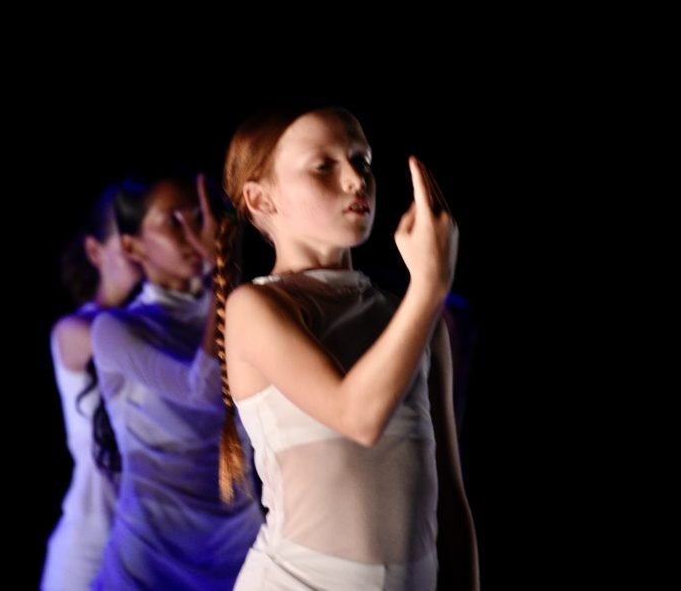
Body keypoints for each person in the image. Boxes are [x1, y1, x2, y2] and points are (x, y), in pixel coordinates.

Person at [213, 107, 479, 590]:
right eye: (324, 166)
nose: (357, 179)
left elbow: (449, 495)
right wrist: (428, 289)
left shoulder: (412, 316)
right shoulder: (257, 307)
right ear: (260, 198)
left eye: (362, 161)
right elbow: (357, 418)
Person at [90, 174, 263, 591]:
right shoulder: (116, 329)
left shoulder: (250, 307)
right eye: (174, 220)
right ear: (132, 247)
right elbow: (205, 390)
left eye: (202, 215)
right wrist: (224, 266)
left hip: (240, 551)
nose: (197, 231)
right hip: (152, 562)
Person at [40, 184, 143, 591]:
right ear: (95, 251)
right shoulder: (75, 330)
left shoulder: (173, 328)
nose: (141, 249)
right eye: (127, 237)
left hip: (160, 550)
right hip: (91, 548)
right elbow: (129, 346)